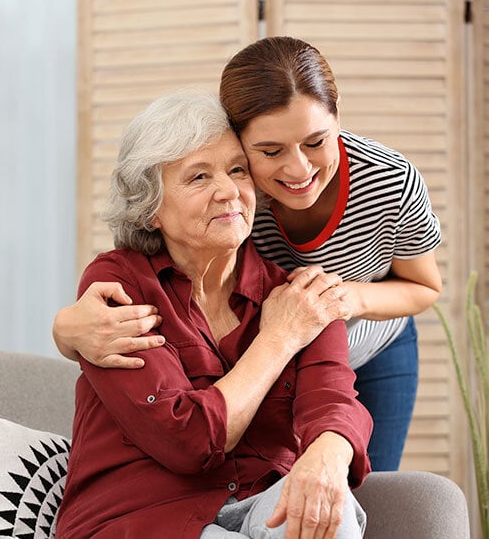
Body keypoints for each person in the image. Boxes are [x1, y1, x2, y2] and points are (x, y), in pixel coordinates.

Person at [52, 36, 442, 471]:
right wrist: (65, 329)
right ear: (238, 140)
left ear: (338, 118)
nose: (298, 170)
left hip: (370, 342)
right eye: (270, 151)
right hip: (282, 341)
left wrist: (347, 300)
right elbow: (158, 246)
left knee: (367, 481)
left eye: (316, 142)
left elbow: (424, 286)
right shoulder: (237, 192)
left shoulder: (390, 181)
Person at [55, 89, 372, 539]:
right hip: (143, 516)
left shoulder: (298, 293)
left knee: (332, 514)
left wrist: (328, 456)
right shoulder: (119, 284)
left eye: (237, 170)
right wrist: (278, 338)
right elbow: (186, 439)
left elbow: (334, 401)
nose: (228, 191)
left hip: (262, 500)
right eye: (199, 177)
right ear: (150, 210)